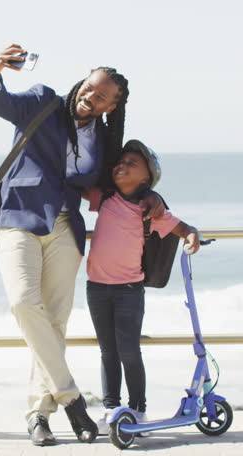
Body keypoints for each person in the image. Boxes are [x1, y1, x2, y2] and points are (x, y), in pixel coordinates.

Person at [0, 45, 164, 446]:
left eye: (101, 96)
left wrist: (156, 200)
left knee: (55, 321)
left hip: (65, 226)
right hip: (18, 217)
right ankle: (73, 399)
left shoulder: (103, 139)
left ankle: (38, 414)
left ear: (111, 106)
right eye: (89, 87)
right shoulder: (43, 101)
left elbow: (122, 186)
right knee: (23, 302)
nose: (89, 96)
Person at [85, 139, 200, 435]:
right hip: (96, 288)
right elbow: (76, 185)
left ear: (146, 178)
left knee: (129, 350)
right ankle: (111, 408)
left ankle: (138, 409)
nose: (122, 166)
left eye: (131, 164)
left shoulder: (150, 209)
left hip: (129, 290)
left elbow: (183, 228)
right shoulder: (104, 198)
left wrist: (191, 236)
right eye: (120, 162)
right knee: (107, 351)